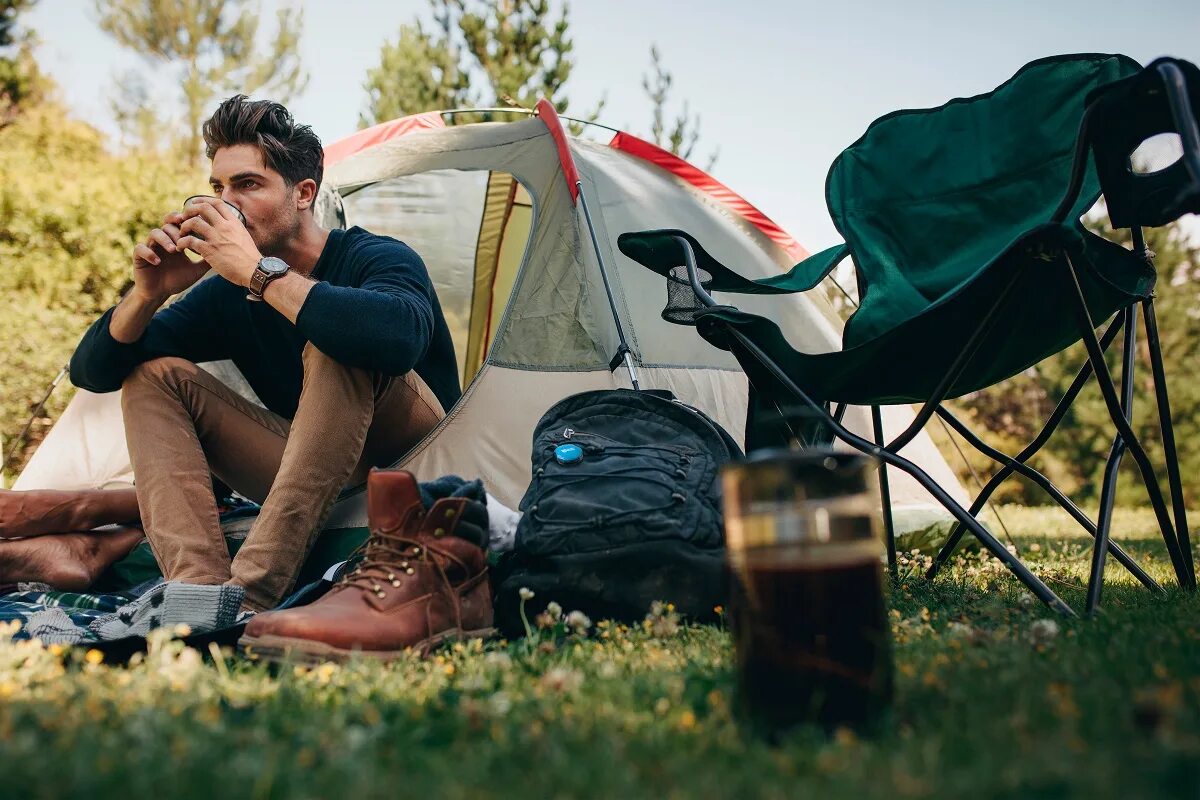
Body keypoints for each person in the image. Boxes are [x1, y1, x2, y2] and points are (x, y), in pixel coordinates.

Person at [0, 95, 460, 612]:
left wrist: (259, 274)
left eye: (247, 184)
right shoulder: (225, 294)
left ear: (304, 193)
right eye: (218, 187)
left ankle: (249, 595)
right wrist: (149, 294)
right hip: (316, 468)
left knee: (337, 343)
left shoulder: (374, 255)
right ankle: (198, 591)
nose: (226, 202)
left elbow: (397, 340)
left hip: (421, 456)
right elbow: (95, 372)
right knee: (154, 376)